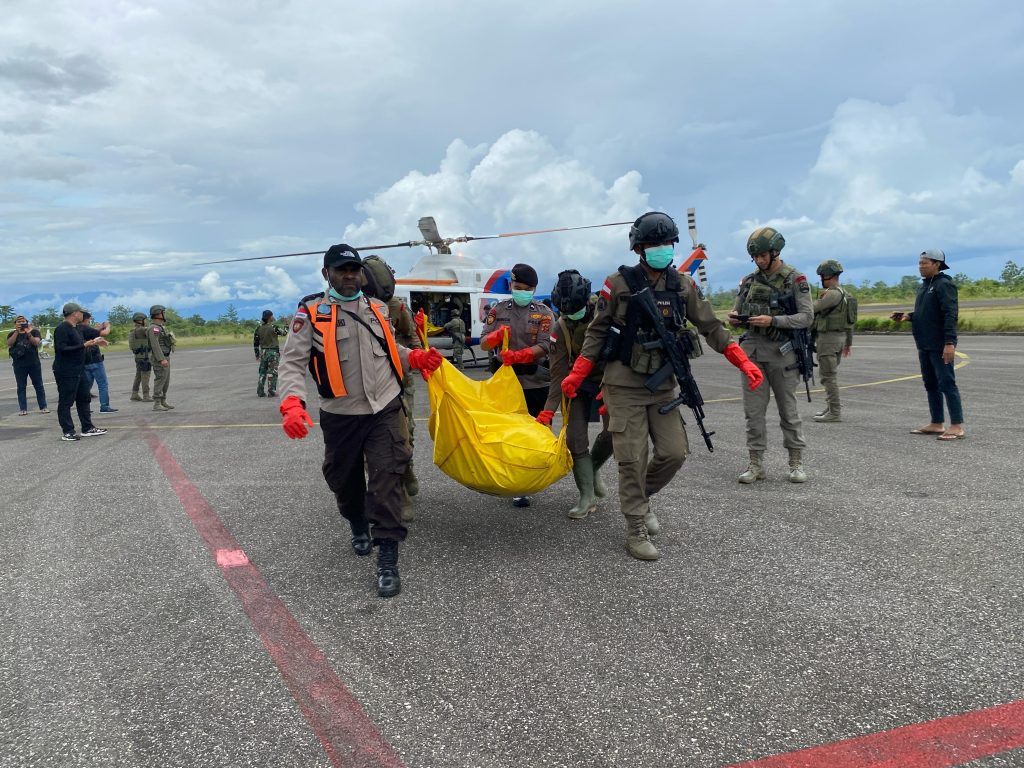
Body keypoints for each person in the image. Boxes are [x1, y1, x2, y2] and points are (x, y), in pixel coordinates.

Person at [562, 212, 764, 560]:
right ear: (639, 249)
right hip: (623, 384)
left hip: (663, 385)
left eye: (667, 243)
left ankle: (640, 498)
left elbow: (711, 326)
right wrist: (578, 372)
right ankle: (635, 529)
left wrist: (741, 360)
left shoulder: (682, 285)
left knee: (674, 453)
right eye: (654, 244)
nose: (662, 249)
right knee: (632, 458)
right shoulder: (617, 283)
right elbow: (597, 332)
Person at [276, 244, 442, 598]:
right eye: (342, 270)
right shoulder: (311, 313)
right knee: (345, 482)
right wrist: (291, 402)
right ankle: (356, 522)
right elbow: (291, 361)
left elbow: (390, 349)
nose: (350, 276)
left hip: (384, 409)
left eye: (354, 270)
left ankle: (388, 559)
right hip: (341, 415)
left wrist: (415, 358)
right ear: (327, 274)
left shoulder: (378, 308)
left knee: (387, 478)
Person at [728, 226, 813, 484]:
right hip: (752, 352)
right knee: (753, 413)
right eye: (755, 257)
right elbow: (737, 311)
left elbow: (806, 317)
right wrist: (735, 318)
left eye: (763, 255)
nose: (759, 260)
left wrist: (774, 321)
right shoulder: (749, 281)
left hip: (782, 353)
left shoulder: (795, 279)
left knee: (788, 411)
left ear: (775, 252)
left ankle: (796, 463)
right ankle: (756, 464)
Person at [537, 272, 613, 520]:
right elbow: (558, 373)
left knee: (614, 433)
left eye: (575, 310)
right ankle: (586, 497)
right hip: (577, 384)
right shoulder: (560, 327)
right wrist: (548, 411)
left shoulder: (607, 314)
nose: (570, 315)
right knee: (574, 439)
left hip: (609, 381)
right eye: (565, 312)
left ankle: (592, 467)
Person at [479, 262, 554, 508]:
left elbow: (546, 344)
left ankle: (532, 476)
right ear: (511, 285)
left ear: (534, 289)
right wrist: (494, 338)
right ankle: (513, 481)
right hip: (506, 383)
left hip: (535, 382)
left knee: (535, 434)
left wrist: (522, 355)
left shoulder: (544, 312)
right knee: (508, 433)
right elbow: (483, 342)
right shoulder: (498, 310)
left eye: (526, 289)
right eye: (517, 287)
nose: (521, 291)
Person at [363, 253, 422, 522]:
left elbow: (411, 336)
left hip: (399, 382)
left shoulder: (396, 308)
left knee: (405, 436)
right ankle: (399, 495)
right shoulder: (354, 308)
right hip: (367, 385)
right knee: (371, 445)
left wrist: (418, 358)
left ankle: (407, 470)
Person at [890, 249, 965, 440]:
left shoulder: (944, 285)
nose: (921, 266)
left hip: (940, 344)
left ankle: (956, 425)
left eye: (925, 263)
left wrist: (949, 343)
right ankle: (937, 423)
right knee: (930, 384)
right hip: (924, 344)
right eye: (920, 263)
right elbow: (926, 314)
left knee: (947, 383)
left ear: (937, 264)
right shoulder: (924, 286)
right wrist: (908, 316)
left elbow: (950, 314)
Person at [51, 302, 108, 441]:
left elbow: (81, 344)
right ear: (75, 313)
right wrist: (83, 345)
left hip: (79, 368)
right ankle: (68, 431)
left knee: (84, 398)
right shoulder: (62, 328)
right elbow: (62, 349)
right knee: (66, 401)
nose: (83, 314)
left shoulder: (76, 328)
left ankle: (87, 427)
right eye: (81, 312)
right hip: (66, 370)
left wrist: (94, 342)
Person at [811, 260, 854, 423]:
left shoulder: (832, 294)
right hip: (839, 339)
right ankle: (831, 407)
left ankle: (834, 412)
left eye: (822, 276)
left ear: (827, 275)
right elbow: (850, 322)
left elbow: (812, 308)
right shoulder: (845, 294)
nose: (821, 279)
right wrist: (848, 343)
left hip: (828, 340)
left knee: (828, 376)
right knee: (829, 375)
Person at [6, 314, 49, 415]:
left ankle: (43, 407)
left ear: (27, 322)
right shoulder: (12, 333)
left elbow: (36, 343)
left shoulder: (34, 332)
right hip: (19, 365)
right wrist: (17, 331)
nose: (21, 323)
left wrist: (28, 333)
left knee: (38, 385)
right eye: (19, 321)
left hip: (34, 363)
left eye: (23, 321)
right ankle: (23, 409)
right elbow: (9, 343)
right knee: (21, 387)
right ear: (15, 324)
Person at [80, 311, 117, 413]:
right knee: (102, 383)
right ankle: (104, 406)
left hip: (84, 360)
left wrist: (99, 328)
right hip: (94, 359)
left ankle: (84, 407)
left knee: (86, 385)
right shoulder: (86, 328)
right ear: (86, 319)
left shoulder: (76, 329)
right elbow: (105, 333)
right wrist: (107, 326)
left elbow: (93, 333)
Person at [253, 310, 287, 397]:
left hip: (263, 352)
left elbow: (256, 343)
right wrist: (286, 325)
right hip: (273, 352)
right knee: (273, 372)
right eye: (272, 315)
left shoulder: (258, 328)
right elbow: (284, 333)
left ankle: (260, 391)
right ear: (269, 317)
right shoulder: (274, 327)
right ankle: (271, 391)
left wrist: (257, 354)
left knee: (262, 372)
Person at [148, 305, 175, 411]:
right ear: (158, 314)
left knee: (165, 381)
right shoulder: (154, 328)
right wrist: (161, 359)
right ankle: (157, 403)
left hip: (165, 356)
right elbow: (155, 345)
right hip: (160, 358)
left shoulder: (160, 327)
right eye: (164, 312)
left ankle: (163, 401)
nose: (165, 314)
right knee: (160, 379)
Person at [127, 312, 153, 401]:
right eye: (144, 320)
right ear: (140, 320)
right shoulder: (142, 329)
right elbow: (152, 331)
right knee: (145, 376)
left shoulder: (134, 330)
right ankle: (146, 395)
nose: (146, 321)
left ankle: (134, 394)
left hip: (138, 356)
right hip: (145, 357)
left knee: (138, 375)